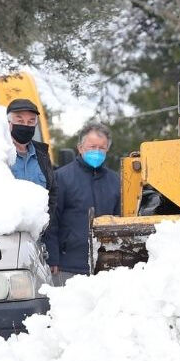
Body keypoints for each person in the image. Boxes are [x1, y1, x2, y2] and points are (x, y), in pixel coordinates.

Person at [44, 122, 120, 285]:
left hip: (106, 265)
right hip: (69, 265)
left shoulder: (116, 181)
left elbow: (121, 220)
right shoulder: (61, 178)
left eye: (102, 148)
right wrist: (53, 257)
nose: (97, 152)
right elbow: (52, 220)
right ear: (80, 147)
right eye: (92, 146)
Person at [6, 99, 57, 232]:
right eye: (20, 121)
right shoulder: (1, 153)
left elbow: (52, 193)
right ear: (9, 123)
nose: (25, 125)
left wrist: (44, 225)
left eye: (31, 121)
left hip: (37, 236)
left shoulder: (43, 154)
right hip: (6, 236)